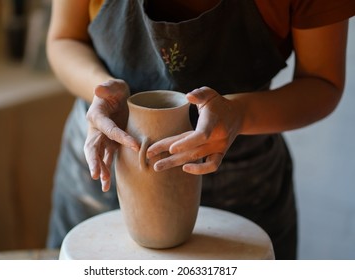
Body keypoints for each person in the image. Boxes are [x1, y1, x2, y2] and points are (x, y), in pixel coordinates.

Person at [46, 0, 355, 259]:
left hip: (242, 181)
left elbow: (322, 80)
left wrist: (237, 114)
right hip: (106, 156)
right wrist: (100, 90)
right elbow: (64, 38)